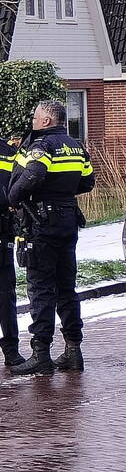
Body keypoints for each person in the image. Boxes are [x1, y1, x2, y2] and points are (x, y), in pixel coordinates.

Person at [7, 101, 94, 375]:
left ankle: (40, 354)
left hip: (41, 224)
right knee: (67, 289)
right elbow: (87, 181)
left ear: (46, 120)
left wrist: (14, 197)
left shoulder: (41, 146)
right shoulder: (75, 146)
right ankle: (73, 351)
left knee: (41, 289)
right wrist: (62, 193)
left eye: (35, 117)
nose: (32, 120)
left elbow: (33, 174)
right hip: (67, 221)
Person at [0, 138, 25, 368]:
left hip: (2, 232)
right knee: (6, 294)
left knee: (6, 294)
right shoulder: (9, 152)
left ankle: (11, 349)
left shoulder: (9, 152)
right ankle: (11, 350)